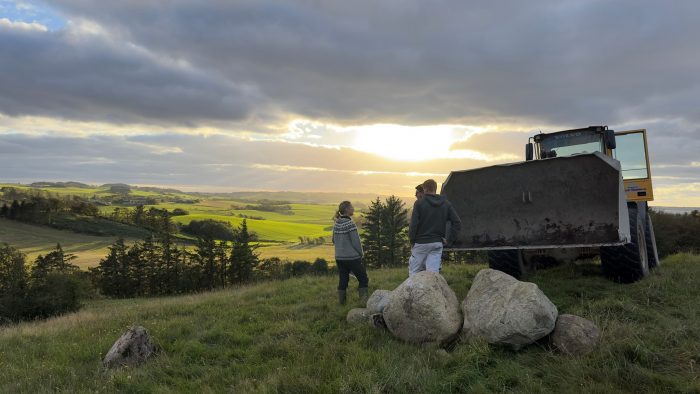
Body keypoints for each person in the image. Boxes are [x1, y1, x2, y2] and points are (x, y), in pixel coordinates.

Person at [408, 179, 461, 276]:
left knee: (414, 273)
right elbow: (457, 222)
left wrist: (412, 241)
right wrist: (449, 240)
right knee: (433, 274)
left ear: (424, 189)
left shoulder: (419, 203)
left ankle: (415, 291)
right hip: (437, 243)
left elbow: (413, 225)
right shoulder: (446, 203)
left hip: (420, 243)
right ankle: (432, 291)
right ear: (435, 189)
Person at [332, 201, 369, 305]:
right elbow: (356, 242)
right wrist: (361, 253)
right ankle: (363, 302)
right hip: (352, 257)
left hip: (339, 258)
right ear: (347, 209)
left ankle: (342, 304)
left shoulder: (336, 223)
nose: (353, 208)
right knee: (363, 279)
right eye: (352, 207)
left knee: (343, 279)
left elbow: (334, 240)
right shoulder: (350, 223)